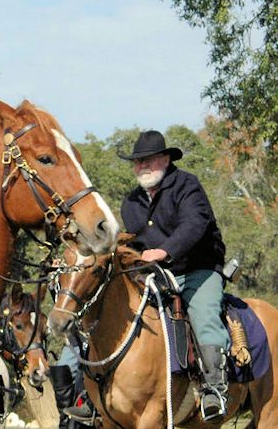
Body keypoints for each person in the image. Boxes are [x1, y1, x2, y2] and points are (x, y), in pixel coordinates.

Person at [120, 130, 230, 421]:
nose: (142, 166)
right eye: (138, 161)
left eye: (149, 160)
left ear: (166, 159)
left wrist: (164, 251)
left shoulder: (187, 185)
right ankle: (97, 392)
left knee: (204, 313)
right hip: (156, 277)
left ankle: (214, 390)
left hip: (198, 269)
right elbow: (130, 243)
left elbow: (195, 223)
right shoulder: (130, 203)